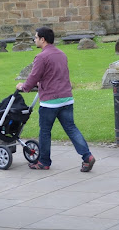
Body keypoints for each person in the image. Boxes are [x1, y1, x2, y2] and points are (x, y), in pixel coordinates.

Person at [16, 27, 95, 172]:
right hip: (66, 98)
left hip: (50, 102)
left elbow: (34, 76)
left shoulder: (41, 57)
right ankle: (87, 157)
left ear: (42, 39)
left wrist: (24, 87)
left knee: (45, 131)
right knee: (71, 129)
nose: (35, 40)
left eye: (36, 37)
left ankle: (44, 162)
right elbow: (56, 76)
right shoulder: (61, 54)